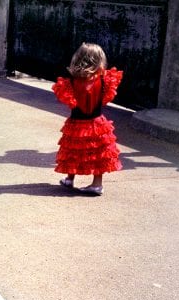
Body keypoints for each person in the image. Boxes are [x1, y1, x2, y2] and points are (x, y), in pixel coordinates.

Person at [52, 43, 124, 195]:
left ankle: (69, 179)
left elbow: (67, 100)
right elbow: (105, 99)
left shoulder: (70, 82)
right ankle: (97, 184)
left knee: (73, 150)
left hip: (77, 123)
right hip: (97, 122)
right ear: (99, 61)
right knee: (98, 153)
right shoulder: (105, 80)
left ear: (78, 59)